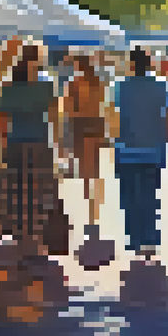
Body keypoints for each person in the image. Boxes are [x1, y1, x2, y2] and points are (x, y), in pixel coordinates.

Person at [0, 58, 61, 254]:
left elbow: (2, 122)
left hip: (15, 144)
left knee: (18, 193)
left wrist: (1, 150)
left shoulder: (8, 87)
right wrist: (57, 145)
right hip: (40, 142)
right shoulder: (46, 85)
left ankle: (23, 238)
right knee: (39, 192)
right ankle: (38, 239)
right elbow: (53, 116)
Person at [112, 48, 168, 261]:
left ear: (131, 64)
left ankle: (135, 238)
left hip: (126, 148)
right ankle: (150, 238)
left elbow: (114, 116)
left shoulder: (120, 86)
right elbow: (166, 116)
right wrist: (167, 142)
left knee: (130, 196)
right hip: (153, 148)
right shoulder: (161, 85)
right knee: (149, 194)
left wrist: (113, 140)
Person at [63, 56, 108, 222]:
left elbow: (67, 109)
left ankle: (90, 200)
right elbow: (102, 104)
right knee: (95, 165)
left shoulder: (73, 84)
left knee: (84, 166)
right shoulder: (99, 83)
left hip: (80, 125)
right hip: (96, 123)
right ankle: (96, 203)